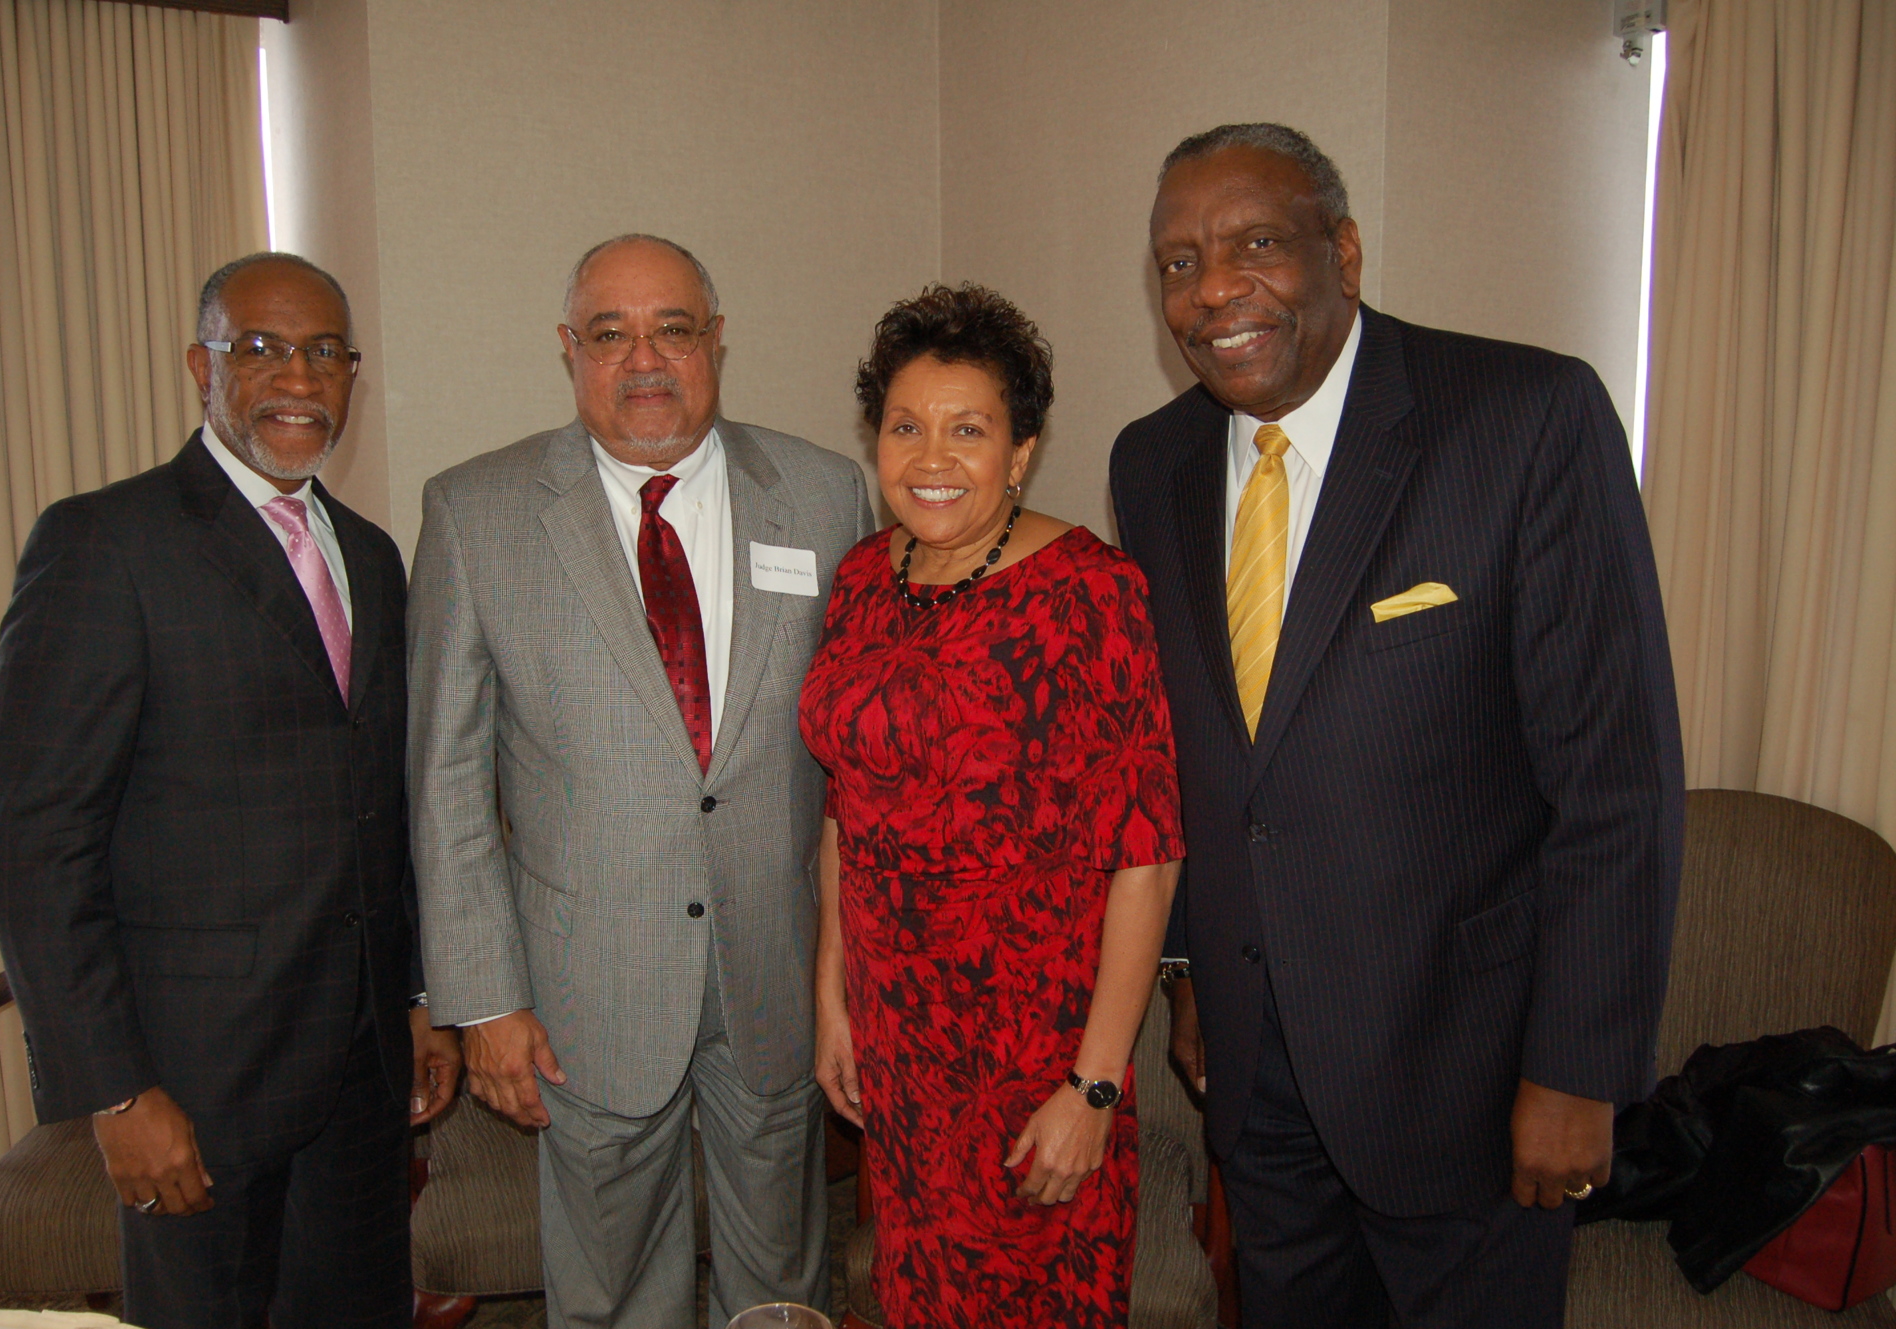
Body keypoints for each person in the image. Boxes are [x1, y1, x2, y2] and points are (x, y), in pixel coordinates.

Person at [1110, 124, 1685, 1327]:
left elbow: (1613, 783)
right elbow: (1192, 768)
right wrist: (1186, 976)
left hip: (1463, 1083)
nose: (1212, 289)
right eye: (1176, 262)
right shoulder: (1150, 464)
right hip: (1258, 1076)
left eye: (1254, 244)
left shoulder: (1522, 418)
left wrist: (1578, 1073)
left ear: (1346, 254)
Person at [0, 252, 462, 1329]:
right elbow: (28, 838)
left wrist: (418, 995)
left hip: (363, 1076)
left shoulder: (372, 558)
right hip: (195, 1086)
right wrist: (112, 1091)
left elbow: (382, 806)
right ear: (203, 365)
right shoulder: (106, 543)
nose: (300, 376)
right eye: (262, 349)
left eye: (325, 352)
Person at [407, 234, 874, 1328]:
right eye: (609, 334)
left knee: (782, 1283)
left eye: (673, 328)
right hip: (587, 990)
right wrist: (486, 1000)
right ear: (568, 352)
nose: (644, 358)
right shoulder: (475, 514)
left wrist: (852, 971)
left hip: (777, 970)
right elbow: (445, 785)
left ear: (716, 342)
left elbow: (859, 755)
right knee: (613, 1294)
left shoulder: (821, 492)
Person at [802, 284, 1185, 1328]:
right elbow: (845, 812)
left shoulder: (1089, 593)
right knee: (917, 1298)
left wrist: (1093, 1088)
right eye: (905, 427)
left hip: (1032, 1056)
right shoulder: (859, 582)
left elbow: (1145, 854)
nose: (931, 458)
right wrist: (832, 996)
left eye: (967, 430)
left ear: (1020, 452)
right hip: (900, 1050)